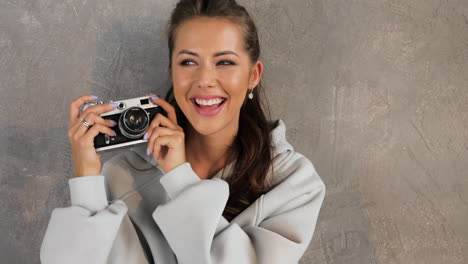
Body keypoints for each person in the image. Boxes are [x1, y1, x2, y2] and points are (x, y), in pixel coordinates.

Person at [40, 0, 326, 263]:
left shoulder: (295, 183)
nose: (204, 80)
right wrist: (86, 181)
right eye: (188, 62)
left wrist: (180, 180)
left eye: (224, 62)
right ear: (172, 71)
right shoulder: (122, 175)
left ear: (253, 75)